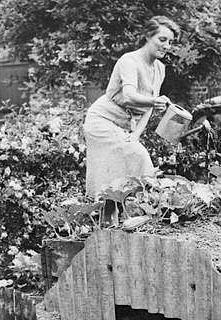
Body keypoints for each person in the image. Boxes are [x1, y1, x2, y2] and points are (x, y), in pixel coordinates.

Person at [84, 15, 179, 201]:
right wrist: (154, 101)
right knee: (138, 156)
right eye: (162, 39)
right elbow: (129, 95)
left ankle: (127, 214)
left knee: (119, 173)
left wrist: (136, 134)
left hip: (123, 125)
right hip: (101, 121)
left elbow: (148, 107)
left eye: (170, 42)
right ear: (147, 36)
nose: (167, 46)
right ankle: (146, 205)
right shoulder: (129, 61)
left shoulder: (160, 68)